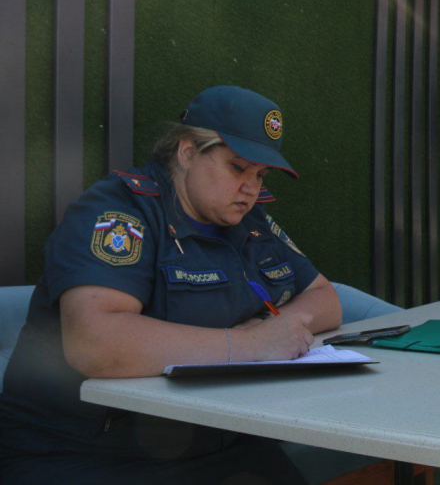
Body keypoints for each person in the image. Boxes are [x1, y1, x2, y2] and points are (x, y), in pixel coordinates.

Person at [0, 86, 346, 483]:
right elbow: (94, 342)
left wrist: (272, 328)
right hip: (85, 449)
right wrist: (250, 344)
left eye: (260, 174)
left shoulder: (250, 220)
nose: (251, 188)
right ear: (187, 152)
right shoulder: (119, 210)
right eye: (238, 168)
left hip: (215, 437)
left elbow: (326, 299)